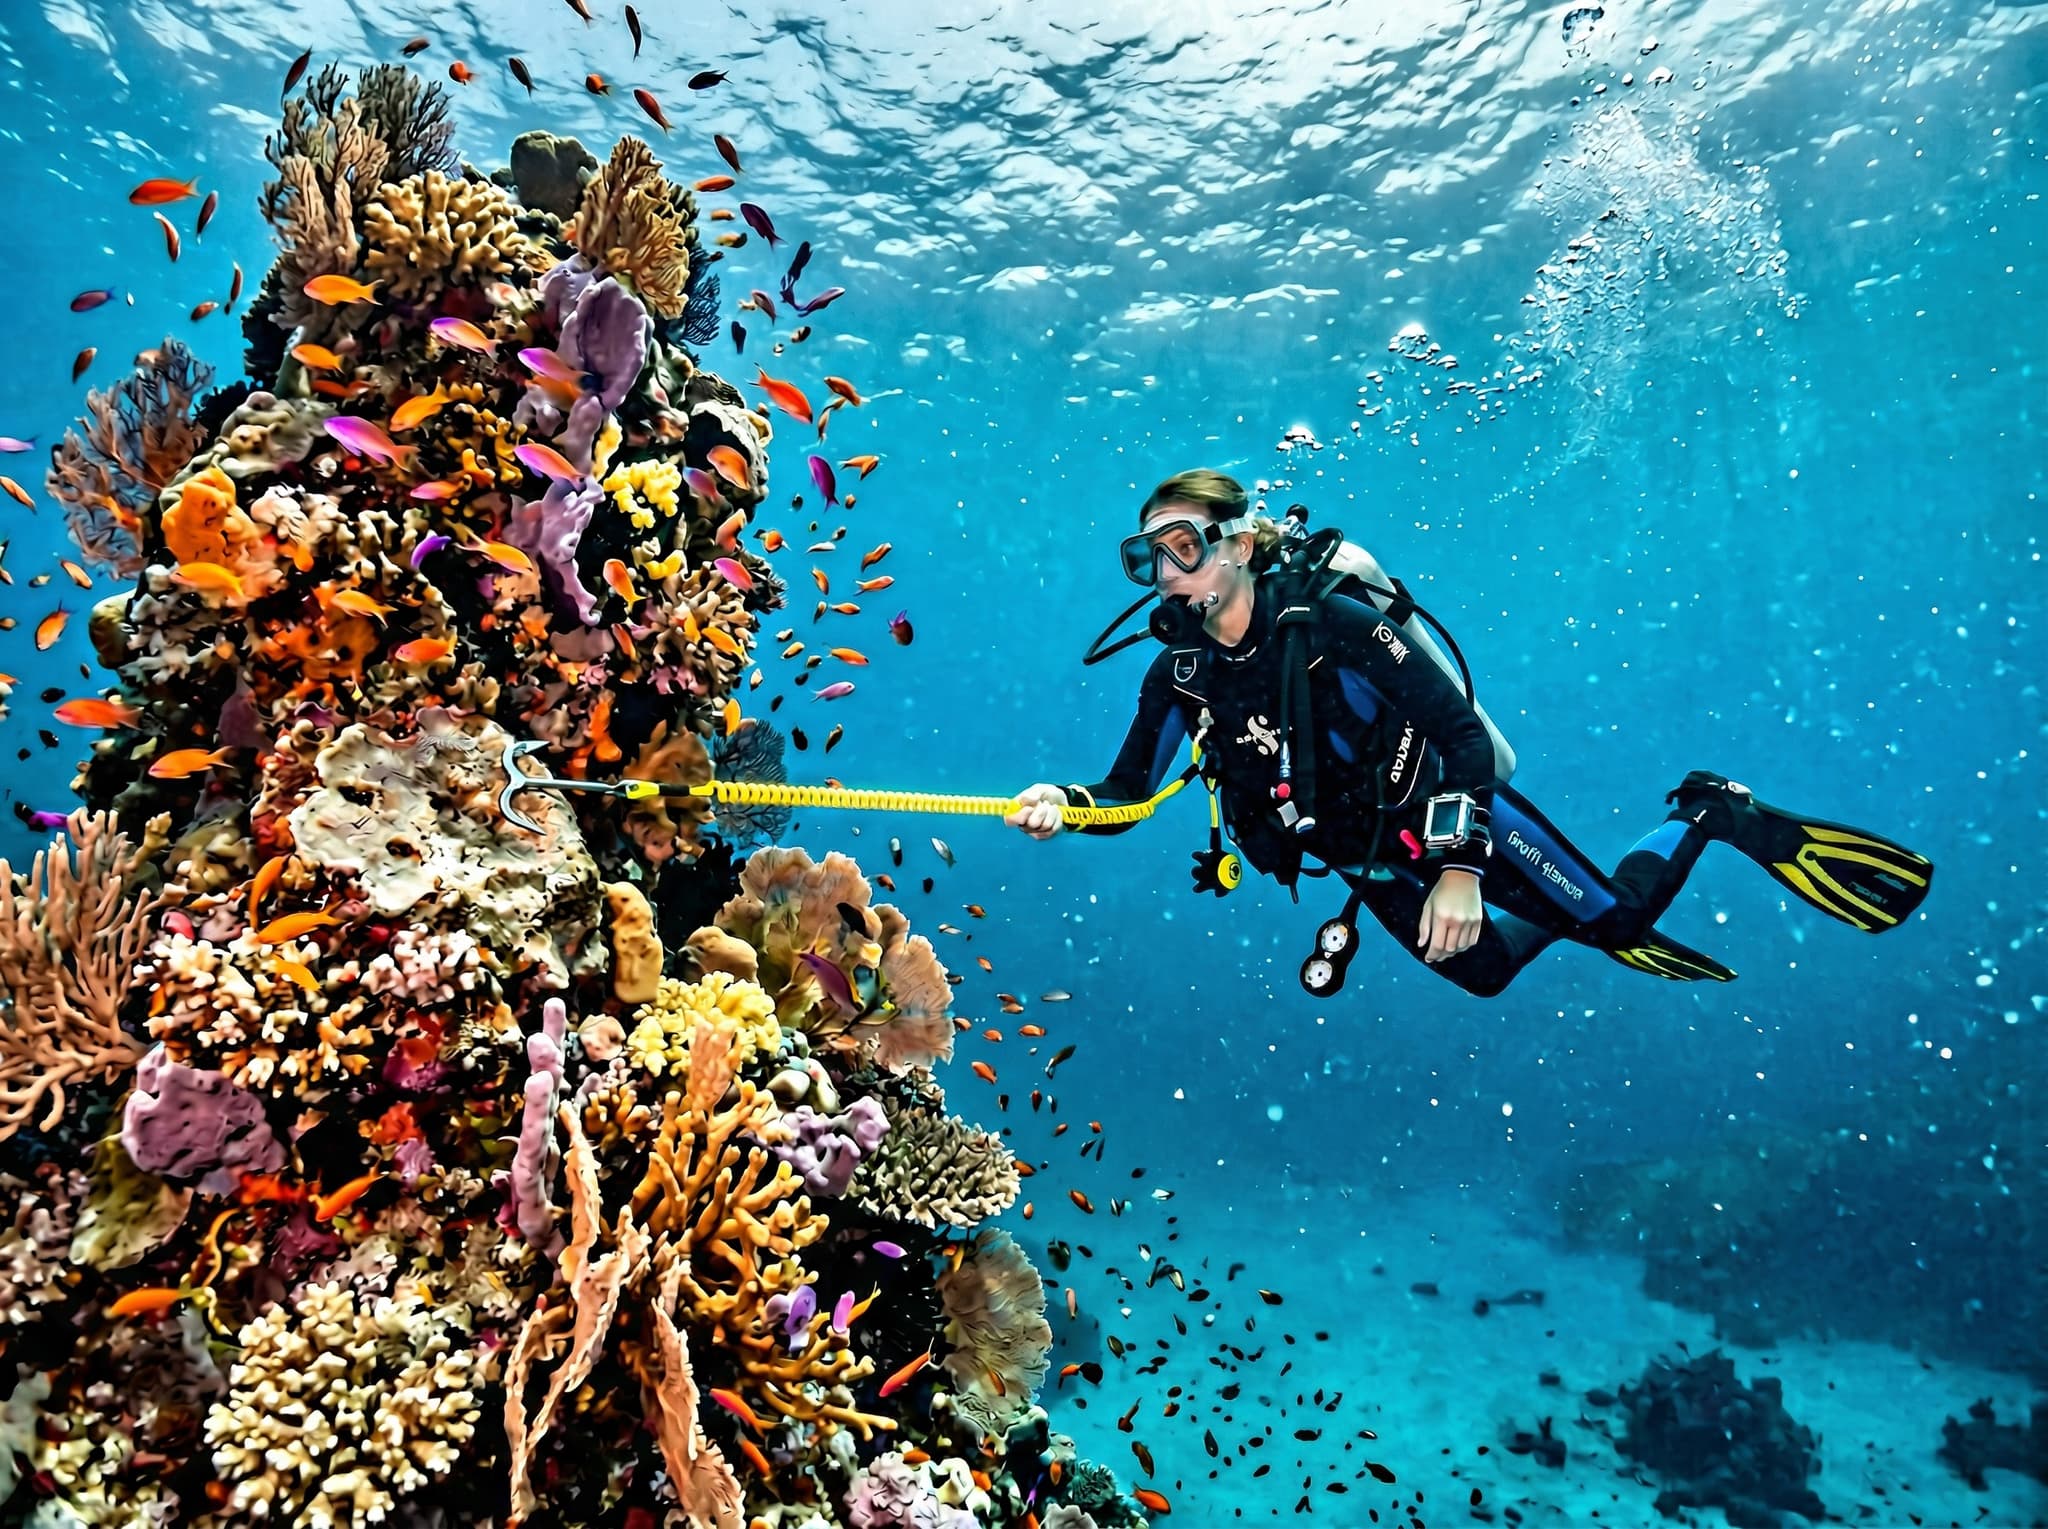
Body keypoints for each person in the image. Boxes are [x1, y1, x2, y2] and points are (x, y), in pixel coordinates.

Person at [1007, 468, 1934, 996]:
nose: (1165, 572)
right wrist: (1065, 802)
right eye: (1147, 555)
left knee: (1620, 920)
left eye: (1183, 545)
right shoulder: (1177, 672)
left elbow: (1461, 736)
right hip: (1362, 856)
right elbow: (1127, 795)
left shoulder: (1328, 621)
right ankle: (1547, 910)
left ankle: (1708, 811)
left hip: (1449, 813)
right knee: (1486, 974)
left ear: (1240, 546)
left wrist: (1457, 868)